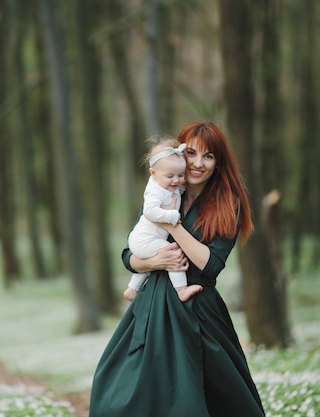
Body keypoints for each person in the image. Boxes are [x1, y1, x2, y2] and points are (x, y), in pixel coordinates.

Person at [89, 121, 266, 417]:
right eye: (192, 154)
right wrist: (153, 262)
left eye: (208, 156)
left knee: (202, 399)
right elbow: (128, 255)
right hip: (150, 307)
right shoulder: (165, 188)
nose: (197, 163)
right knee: (120, 393)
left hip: (198, 309)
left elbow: (209, 265)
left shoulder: (228, 204)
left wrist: (173, 225)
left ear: (218, 163)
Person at [124, 136, 203, 302]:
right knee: (173, 253)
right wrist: (172, 216)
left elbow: (177, 192)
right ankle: (181, 290)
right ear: (153, 173)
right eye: (170, 176)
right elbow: (150, 212)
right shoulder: (154, 191)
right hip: (144, 239)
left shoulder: (164, 184)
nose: (176, 180)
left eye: (181, 175)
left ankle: (132, 289)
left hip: (144, 239)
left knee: (151, 263)